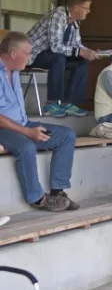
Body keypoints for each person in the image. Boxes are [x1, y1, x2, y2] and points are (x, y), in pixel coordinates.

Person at [0, 32, 78, 211]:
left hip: (22, 124)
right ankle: (37, 198)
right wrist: (27, 132)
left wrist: (27, 129)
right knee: (27, 146)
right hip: (4, 129)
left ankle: (57, 193)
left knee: (66, 136)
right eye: (27, 53)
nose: (30, 58)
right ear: (13, 54)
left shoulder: (16, 71)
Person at [27, 0, 97, 117]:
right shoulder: (58, 15)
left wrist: (90, 52)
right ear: (76, 8)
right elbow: (55, 46)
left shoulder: (75, 22)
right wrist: (80, 52)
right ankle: (51, 104)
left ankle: (68, 103)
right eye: (86, 8)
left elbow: (76, 44)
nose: (89, 11)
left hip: (52, 56)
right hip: (33, 55)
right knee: (58, 57)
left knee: (81, 61)